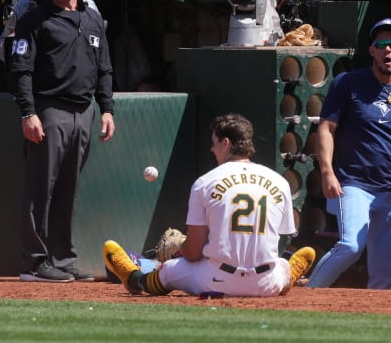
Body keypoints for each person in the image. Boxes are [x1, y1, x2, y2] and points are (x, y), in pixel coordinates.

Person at [104, 114, 316, 297]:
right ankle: (286, 279)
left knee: (169, 270)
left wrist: (180, 249)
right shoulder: (279, 181)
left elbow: (194, 253)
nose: (211, 148)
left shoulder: (205, 182)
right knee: (282, 264)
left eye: (214, 142)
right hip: (266, 285)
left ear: (226, 143)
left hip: (217, 280)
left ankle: (135, 279)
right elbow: (279, 241)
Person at [8, 0, 115, 283]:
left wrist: (107, 108)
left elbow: (104, 69)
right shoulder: (33, 19)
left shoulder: (93, 19)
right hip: (49, 108)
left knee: (69, 188)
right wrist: (28, 113)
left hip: (84, 110)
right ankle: (35, 262)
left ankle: (63, 259)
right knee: (41, 187)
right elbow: (20, 69)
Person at [306, 18, 391, 289]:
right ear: (371, 50)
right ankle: (307, 295)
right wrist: (327, 172)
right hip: (354, 183)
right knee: (350, 246)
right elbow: (326, 128)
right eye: (381, 45)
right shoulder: (348, 83)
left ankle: (373, 330)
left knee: (384, 271)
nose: (388, 51)